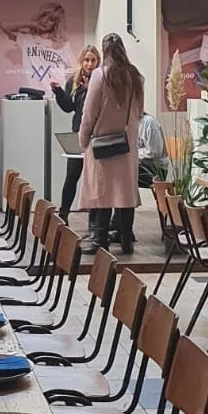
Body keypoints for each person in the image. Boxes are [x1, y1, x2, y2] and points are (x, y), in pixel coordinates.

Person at [79, 32, 144, 255]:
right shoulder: (134, 76)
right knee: (125, 194)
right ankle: (126, 240)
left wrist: (83, 138)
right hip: (126, 145)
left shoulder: (100, 76)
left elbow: (89, 113)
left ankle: (100, 240)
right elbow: (139, 111)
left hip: (102, 145)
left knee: (102, 193)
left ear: (104, 51)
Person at [50, 44, 100, 224]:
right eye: (86, 60)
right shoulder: (74, 80)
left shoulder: (100, 80)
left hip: (96, 136)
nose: (89, 64)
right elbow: (69, 107)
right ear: (81, 61)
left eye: (93, 60)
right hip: (77, 133)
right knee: (71, 175)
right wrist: (58, 92)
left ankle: (94, 221)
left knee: (93, 180)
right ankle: (63, 214)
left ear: (98, 62)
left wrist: (89, 90)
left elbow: (96, 107)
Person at [137, 109, 168, 188]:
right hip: (142, 165)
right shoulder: (132, 123)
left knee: (123, 173)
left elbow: (154, 152)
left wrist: (134, 153)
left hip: (156, 169)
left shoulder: (149, 122)